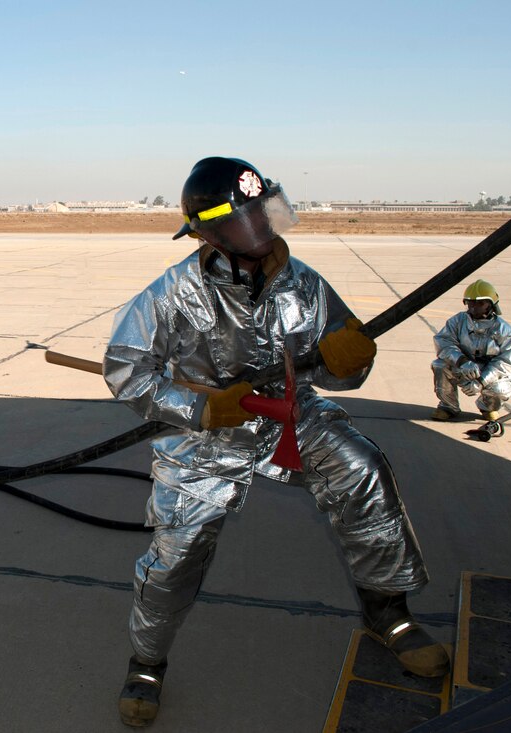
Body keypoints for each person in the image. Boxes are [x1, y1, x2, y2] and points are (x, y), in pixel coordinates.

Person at [102, 157, 448, 727]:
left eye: (264, 214)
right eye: (247, 221)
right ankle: (147, 662)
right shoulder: (169, 295)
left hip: (291, 415)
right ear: (209, 232)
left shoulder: (302, 282)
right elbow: (126, 371)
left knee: (362, 469)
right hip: (204, 436)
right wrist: (200, 406)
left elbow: (335, 365)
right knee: (176, 555)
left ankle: (391, 616)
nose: (262, 231)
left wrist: (351, 362)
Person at [430, 280, 511, 422]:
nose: (473, 307)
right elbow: (443, 342)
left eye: (479, 303)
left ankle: (487, 407)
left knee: (500, 389)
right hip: (464, 368)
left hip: (491, 374)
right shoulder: (458, 321)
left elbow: (505, 362)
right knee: (439, 365)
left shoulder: (505, 331)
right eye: (470, 303)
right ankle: (448, 406)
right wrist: (462, 361)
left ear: (490, 305)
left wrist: (481, 381)